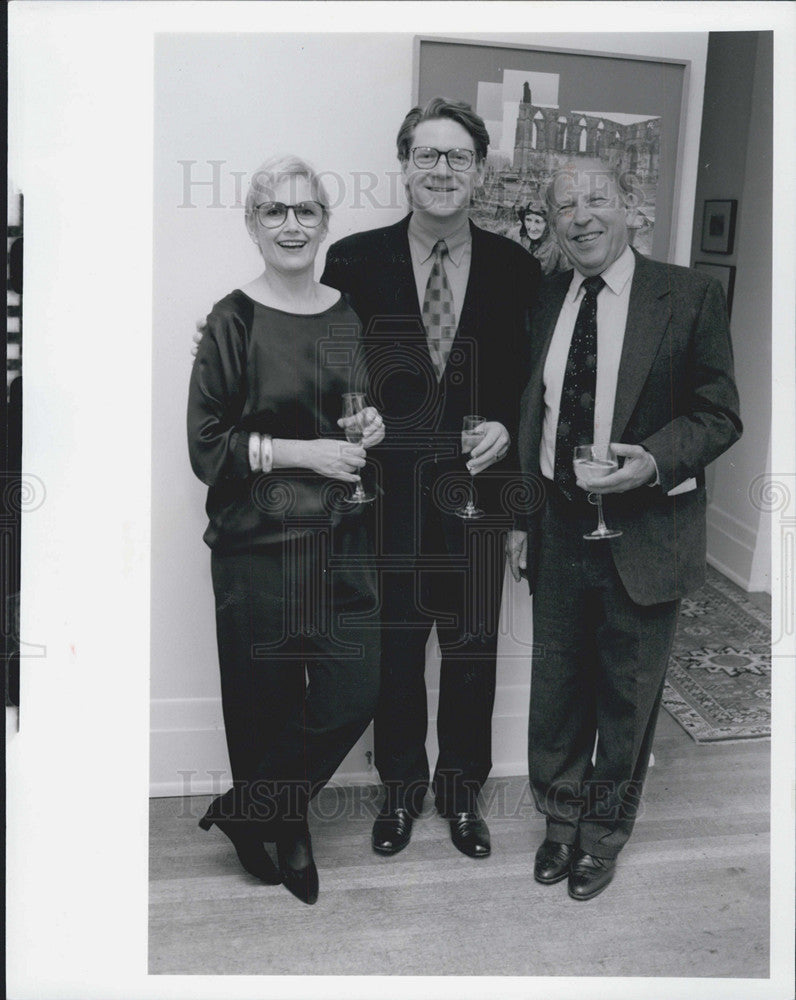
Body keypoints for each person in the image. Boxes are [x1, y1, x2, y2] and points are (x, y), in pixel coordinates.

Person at [507, 156, 742, 900]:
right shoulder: (544, 299)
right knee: (557, 692)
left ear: (631, 208)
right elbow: (531, 414)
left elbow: (718, 415)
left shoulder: (690, 296)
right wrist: (521, 521)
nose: (582, 216)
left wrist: (652, 464)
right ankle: (559, 822)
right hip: (558, 527)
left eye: (598, 199)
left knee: (627, 698)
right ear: (552, 221)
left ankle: (602, 838)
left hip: (645, 534)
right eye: (566, 204)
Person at [321, 98, 542, 859]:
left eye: (457, 158)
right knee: (395, 652)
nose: (441, 171)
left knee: (474, 652)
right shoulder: (351, 261)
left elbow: (532, 386)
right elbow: (324, 371)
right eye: (427, 155)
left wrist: (512, 432)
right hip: (384, 502)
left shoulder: (518, 269)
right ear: (404, 164)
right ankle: (399, 794)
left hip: (480, 499)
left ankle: (461, 797)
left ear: (478, 171)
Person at [187, 155, 384, 905]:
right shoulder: (231, 320)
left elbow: (353, 409)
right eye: (276, 211)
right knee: (264, 698)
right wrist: (306, 452)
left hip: (340, 537)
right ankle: (286, 827)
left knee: (352, 690)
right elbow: (207, 447)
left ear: (325, 223)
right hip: (257, 546)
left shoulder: (344, 311)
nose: (292, 224)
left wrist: (370, 423)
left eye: (307, 211)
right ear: (252, 224)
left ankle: (251, 811)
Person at [515, 200, 566, 275]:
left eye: (538, 222)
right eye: (528, 220)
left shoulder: (558, 246)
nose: (532, 228)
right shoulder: (514, 235)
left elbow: (564, 277)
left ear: (547, 224)